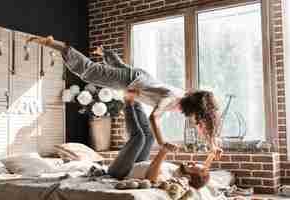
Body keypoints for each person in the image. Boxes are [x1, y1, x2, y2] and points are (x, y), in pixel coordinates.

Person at [27, 36, 222, 158]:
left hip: (139, 78)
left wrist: (213, 143)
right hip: (133, 81)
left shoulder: (183, 99)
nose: (196, 120)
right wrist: (161, 143)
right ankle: (54, 44)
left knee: (118, 68)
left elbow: (201, 123)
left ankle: (104, 52)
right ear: (193, 108)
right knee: (89, 72)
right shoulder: (172, 98)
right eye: (197, 115)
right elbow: (154, 117)